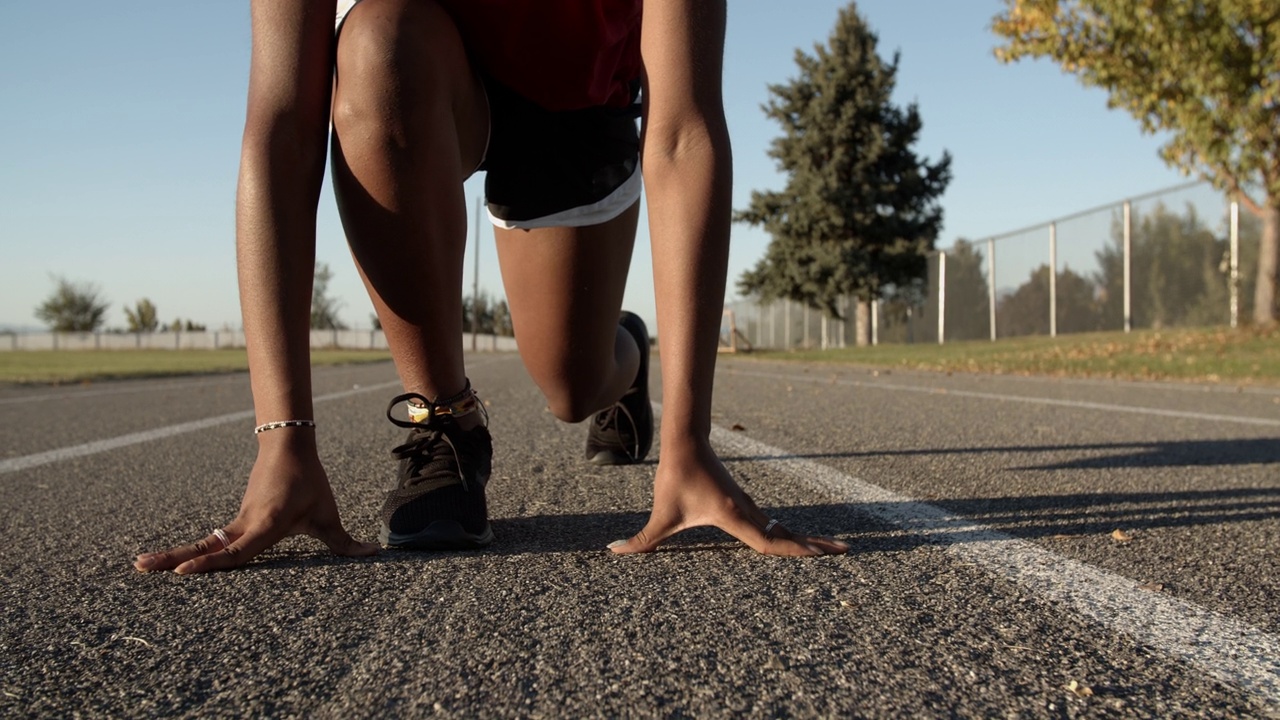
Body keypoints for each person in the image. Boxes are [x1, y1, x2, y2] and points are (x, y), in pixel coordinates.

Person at [134, 0, 848, 575]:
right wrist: (282, 440)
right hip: (419, 60)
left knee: (573, 386)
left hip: (576, 95)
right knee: (379, 44)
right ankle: (443, 420)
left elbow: (683, 131)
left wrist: (689, 441)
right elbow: (283, 126)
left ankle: (623, 356)